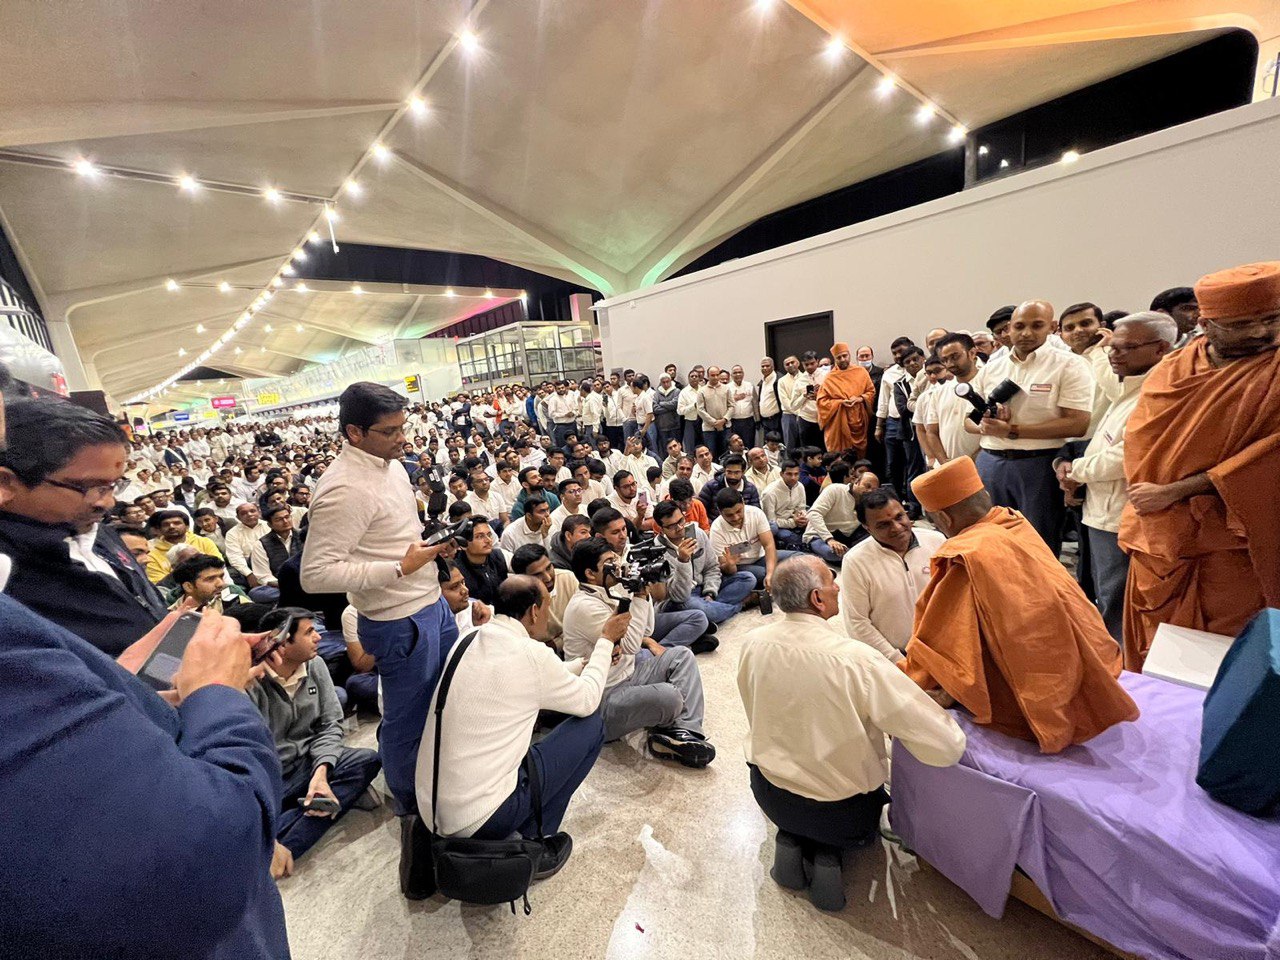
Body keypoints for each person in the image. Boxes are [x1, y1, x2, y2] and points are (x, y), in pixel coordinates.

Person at [738, 555, 966, 911]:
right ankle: (828, 855)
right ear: (817, 598)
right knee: (843, 809)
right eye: (832, 580)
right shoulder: (856, 659)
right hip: (843, 813)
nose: (838, 586)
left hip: (769, 793)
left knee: (800, 802)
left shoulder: (752, 642)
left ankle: (793, 841)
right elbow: (944, 745)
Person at [901, 458, 1138, 753]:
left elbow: (948, 640)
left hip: (1040, 693)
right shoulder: (1012, 521)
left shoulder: (967, 553)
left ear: (944, 520)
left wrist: (937, 684)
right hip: (1092, 660)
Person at [301, 381, 457, 815]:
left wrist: (431, 548)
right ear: (354, 432)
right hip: (397, 621)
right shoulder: (343, 488)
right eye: (389, 431)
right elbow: (315, 575)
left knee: (443, 700)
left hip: (430, 603)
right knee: (407, 721)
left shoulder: (392, 466)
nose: (402, 438)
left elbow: (394, 538)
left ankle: (438, 780)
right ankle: (410, 808)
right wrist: (399, 568)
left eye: (402, 427)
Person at [1119, 262, 1280, 670]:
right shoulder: (1174, 368)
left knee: (1232, 656)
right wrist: (1159, 497)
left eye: (1273, 319)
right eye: (1242, 324)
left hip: (1235, 539)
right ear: (1205, 324)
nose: (1262, 332)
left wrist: (1177, 490)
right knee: (1162, 655)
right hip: (1161, 533)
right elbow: (1142, 442)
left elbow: (1268, 458)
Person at [417, 576, 618, 879]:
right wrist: (606, 640)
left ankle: (518, 834)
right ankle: (532, 842)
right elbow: (588, 700)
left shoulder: (470, 638)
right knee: (590, 727)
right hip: (481, 818)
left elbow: (534, 677)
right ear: (534, 612)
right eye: (547, 606)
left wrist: (582, 664)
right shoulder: (530, 654)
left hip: (433, 810)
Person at [0, 398, 168, 655]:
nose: (108, 502)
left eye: (113, 485)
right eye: (90, 488)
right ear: (6, 484)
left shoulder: (90, 527)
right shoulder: (8, 579)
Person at [1056, 312, 1175, 643]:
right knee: (1106, 589)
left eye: (1125, 348)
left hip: (1121, 513)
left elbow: (1127, 455)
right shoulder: (1131, 384)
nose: (1114, 354)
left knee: (1118, 597)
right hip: (1101, 505)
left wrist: (1077, 471)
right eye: (1112, 347)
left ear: (1160, 348)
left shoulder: (1161, 392)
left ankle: (1121, 662)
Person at [248, 607, 382, 877]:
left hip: (308, 763)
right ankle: (277, 840)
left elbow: (331, 724)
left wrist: (321, 773)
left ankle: (272, 844)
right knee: (249, 818)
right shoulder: (252, 683)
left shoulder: (316, 665)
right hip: (271, 779)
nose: (319, 637)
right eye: (309, 632)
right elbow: (249, 756)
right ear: (282, 642)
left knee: (367, 760)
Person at [562, 538, 715, 766]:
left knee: (682, 655)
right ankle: (668, 732)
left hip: (628, 674)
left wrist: (643, 590)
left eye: (615, 558)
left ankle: (684, 732)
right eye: (609, 562)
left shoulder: (609, 589)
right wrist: (640, 596)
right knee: (670, 696)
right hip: (602, 699)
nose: (617, 565)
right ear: (590, 573)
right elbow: (632, 645)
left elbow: (647, 629)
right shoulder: (584, 607)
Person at [967, 300, 1094, 556]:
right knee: (992, 540)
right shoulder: (993, 367)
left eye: (1036, 326)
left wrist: (1012, 430)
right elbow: (967, 420)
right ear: (1009, 329)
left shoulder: (1069, 364)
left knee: (1038, 544)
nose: (1026, 333)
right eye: (1019, 326)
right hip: (991, 462)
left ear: (1052, 327)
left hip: (1039, 464)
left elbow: (1077, 423)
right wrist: (987, 424)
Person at [839, 488, 945, 662]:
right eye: (883, 525)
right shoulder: (856, 561)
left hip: (943, 649)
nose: (896, 528)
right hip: (896, 658)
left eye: (899, 517)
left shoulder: (936, 541)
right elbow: (857, 622)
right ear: (867, 528)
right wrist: (897, 660)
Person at [653, 500, 755, 627]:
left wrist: (710, 592)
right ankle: (741, 605)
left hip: (703, 587)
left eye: (680, 521)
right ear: (661, 530)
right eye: (671, 526)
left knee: (747, 578)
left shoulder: (697, 534)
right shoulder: (657, 552)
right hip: (683, 598)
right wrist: (683, 561)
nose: (679, 528)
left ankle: (711, 613)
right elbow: (678, 596)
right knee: (693, 605)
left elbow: (712, 567)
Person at [710, 488, 791, 592]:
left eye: (738, 511)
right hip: (741, 566)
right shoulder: (716, 530)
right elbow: (726, 569)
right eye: (729, 515)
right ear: (720, 512)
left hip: (761, 557)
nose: (736, 517)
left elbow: (769, 545)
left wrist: (771, 573)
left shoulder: (756, 513)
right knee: (764, 574)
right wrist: (730, 564)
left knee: (798, 558)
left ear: (743, 503)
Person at [510, 544, 580, 650]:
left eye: (548, 568)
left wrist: (556, 644)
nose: (548, 578)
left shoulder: (568, 579)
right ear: (522, 579)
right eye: (537, 574)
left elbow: (581, 626)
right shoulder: (514, 598)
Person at [932, 333, 985, 462]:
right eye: (944, 360)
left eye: (955, 357)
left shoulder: (987, 384)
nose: (950, 364)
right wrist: (943, 461)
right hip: (949, 464)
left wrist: (975, 459)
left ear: (972, 353)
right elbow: (931, 431)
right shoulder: (939, 392)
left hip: (983, 461)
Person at [816, 342, 876, 456]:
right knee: (841, 456)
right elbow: (821, 402)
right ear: (835, 359)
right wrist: (840, 402)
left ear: (849, 355)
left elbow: (871, 392)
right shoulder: (830, 378)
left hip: (859, 420)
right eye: (839, 357)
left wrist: (860, 399)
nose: (843, 359)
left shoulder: (861, 372)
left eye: (845, 356)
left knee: (860, 456)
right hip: (839, 423)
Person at [804, 461, 869, 564]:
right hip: (820, 536)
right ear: (856, 481)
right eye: (867, 486)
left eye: (874, 488)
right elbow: (813, 513)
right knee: (834, 553)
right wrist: (829, 539)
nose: (870, 491)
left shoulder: (868, 499)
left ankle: (855, 556)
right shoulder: (834, 489)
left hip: (847, 537)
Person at [145, 509, 223, 584]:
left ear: (187, 527)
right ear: (159, 530)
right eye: (166, 524)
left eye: (177, 523)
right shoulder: (152, 555)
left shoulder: (204, 542)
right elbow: (160, 584)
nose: (171, 526)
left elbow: (219, 566)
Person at [170, 554, 252, 613]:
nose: (221, 584)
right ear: (188, 586)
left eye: (221, 577)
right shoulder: (172, 615)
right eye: (210, 579)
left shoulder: (236, 602)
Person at [456, 515, 508, 604]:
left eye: (489, 535)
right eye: (480, 537)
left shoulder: (498, 556)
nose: (488, 540)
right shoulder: (457, 571)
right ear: (463, 544)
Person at [248, 504, 299, 590]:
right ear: (270, 525)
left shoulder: (304, 537)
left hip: (306, 583)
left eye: (287, 517)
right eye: (279, 519)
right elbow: (264, 577)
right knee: (256, 593)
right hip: (279, 587)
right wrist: (286, 586)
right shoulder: (261, 544)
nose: (285, 521)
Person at [697, 453, 761, 521]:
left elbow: (755, 514)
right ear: (724, 470)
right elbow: (700, 510)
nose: (732, 476)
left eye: (736, 473)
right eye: (729, 472)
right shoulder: (711, 486)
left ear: (743, 472)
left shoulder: (751, 489)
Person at [760, 459, 808, 551]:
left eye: (796, 474)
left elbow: (802, 508)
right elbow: (771, 522)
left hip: (796, 521)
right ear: (781, 474)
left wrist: (802, 517)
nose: (793, 477)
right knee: (791, 537)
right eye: (789, 474)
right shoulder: (769, 493)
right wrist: (793, 523)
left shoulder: (800, 486)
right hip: (780, 526)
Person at [696, 365, 732, 458]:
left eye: (717, 375)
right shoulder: (701, 391)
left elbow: (731, 406)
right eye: (712, 375)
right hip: (709, 429)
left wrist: (724, 420)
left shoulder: (726, 388)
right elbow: (700, 409)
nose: (715, 377)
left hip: (725, 427)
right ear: (708, 376)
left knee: (726, 454)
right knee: (711, 454)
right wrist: (714, 422)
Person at [755, 357, 782, 443]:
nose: (765, 368)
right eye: (762, 366)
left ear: (773, 366)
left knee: (778, 445)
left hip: (776, 420)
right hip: (765, 421)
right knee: (767, 446)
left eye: (767, 366)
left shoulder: (778, 379)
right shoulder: (763, 381)